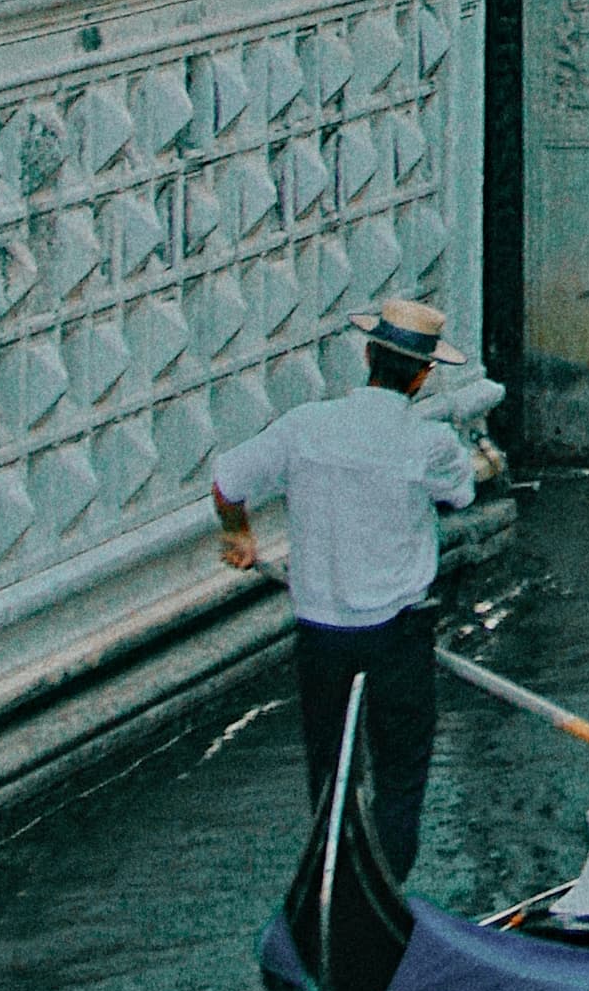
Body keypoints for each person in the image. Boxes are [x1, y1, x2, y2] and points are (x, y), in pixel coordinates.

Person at [210, 289, 497, 864]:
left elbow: (227, 483)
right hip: (398, 636)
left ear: (368, 357)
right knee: (400, 776)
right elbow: (461, 495)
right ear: (423, 377)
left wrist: (240, 536)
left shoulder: (304, 426)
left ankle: (333, 867)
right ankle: (386, 879)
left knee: (329, 770)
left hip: (321, 634)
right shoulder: (430, 444)